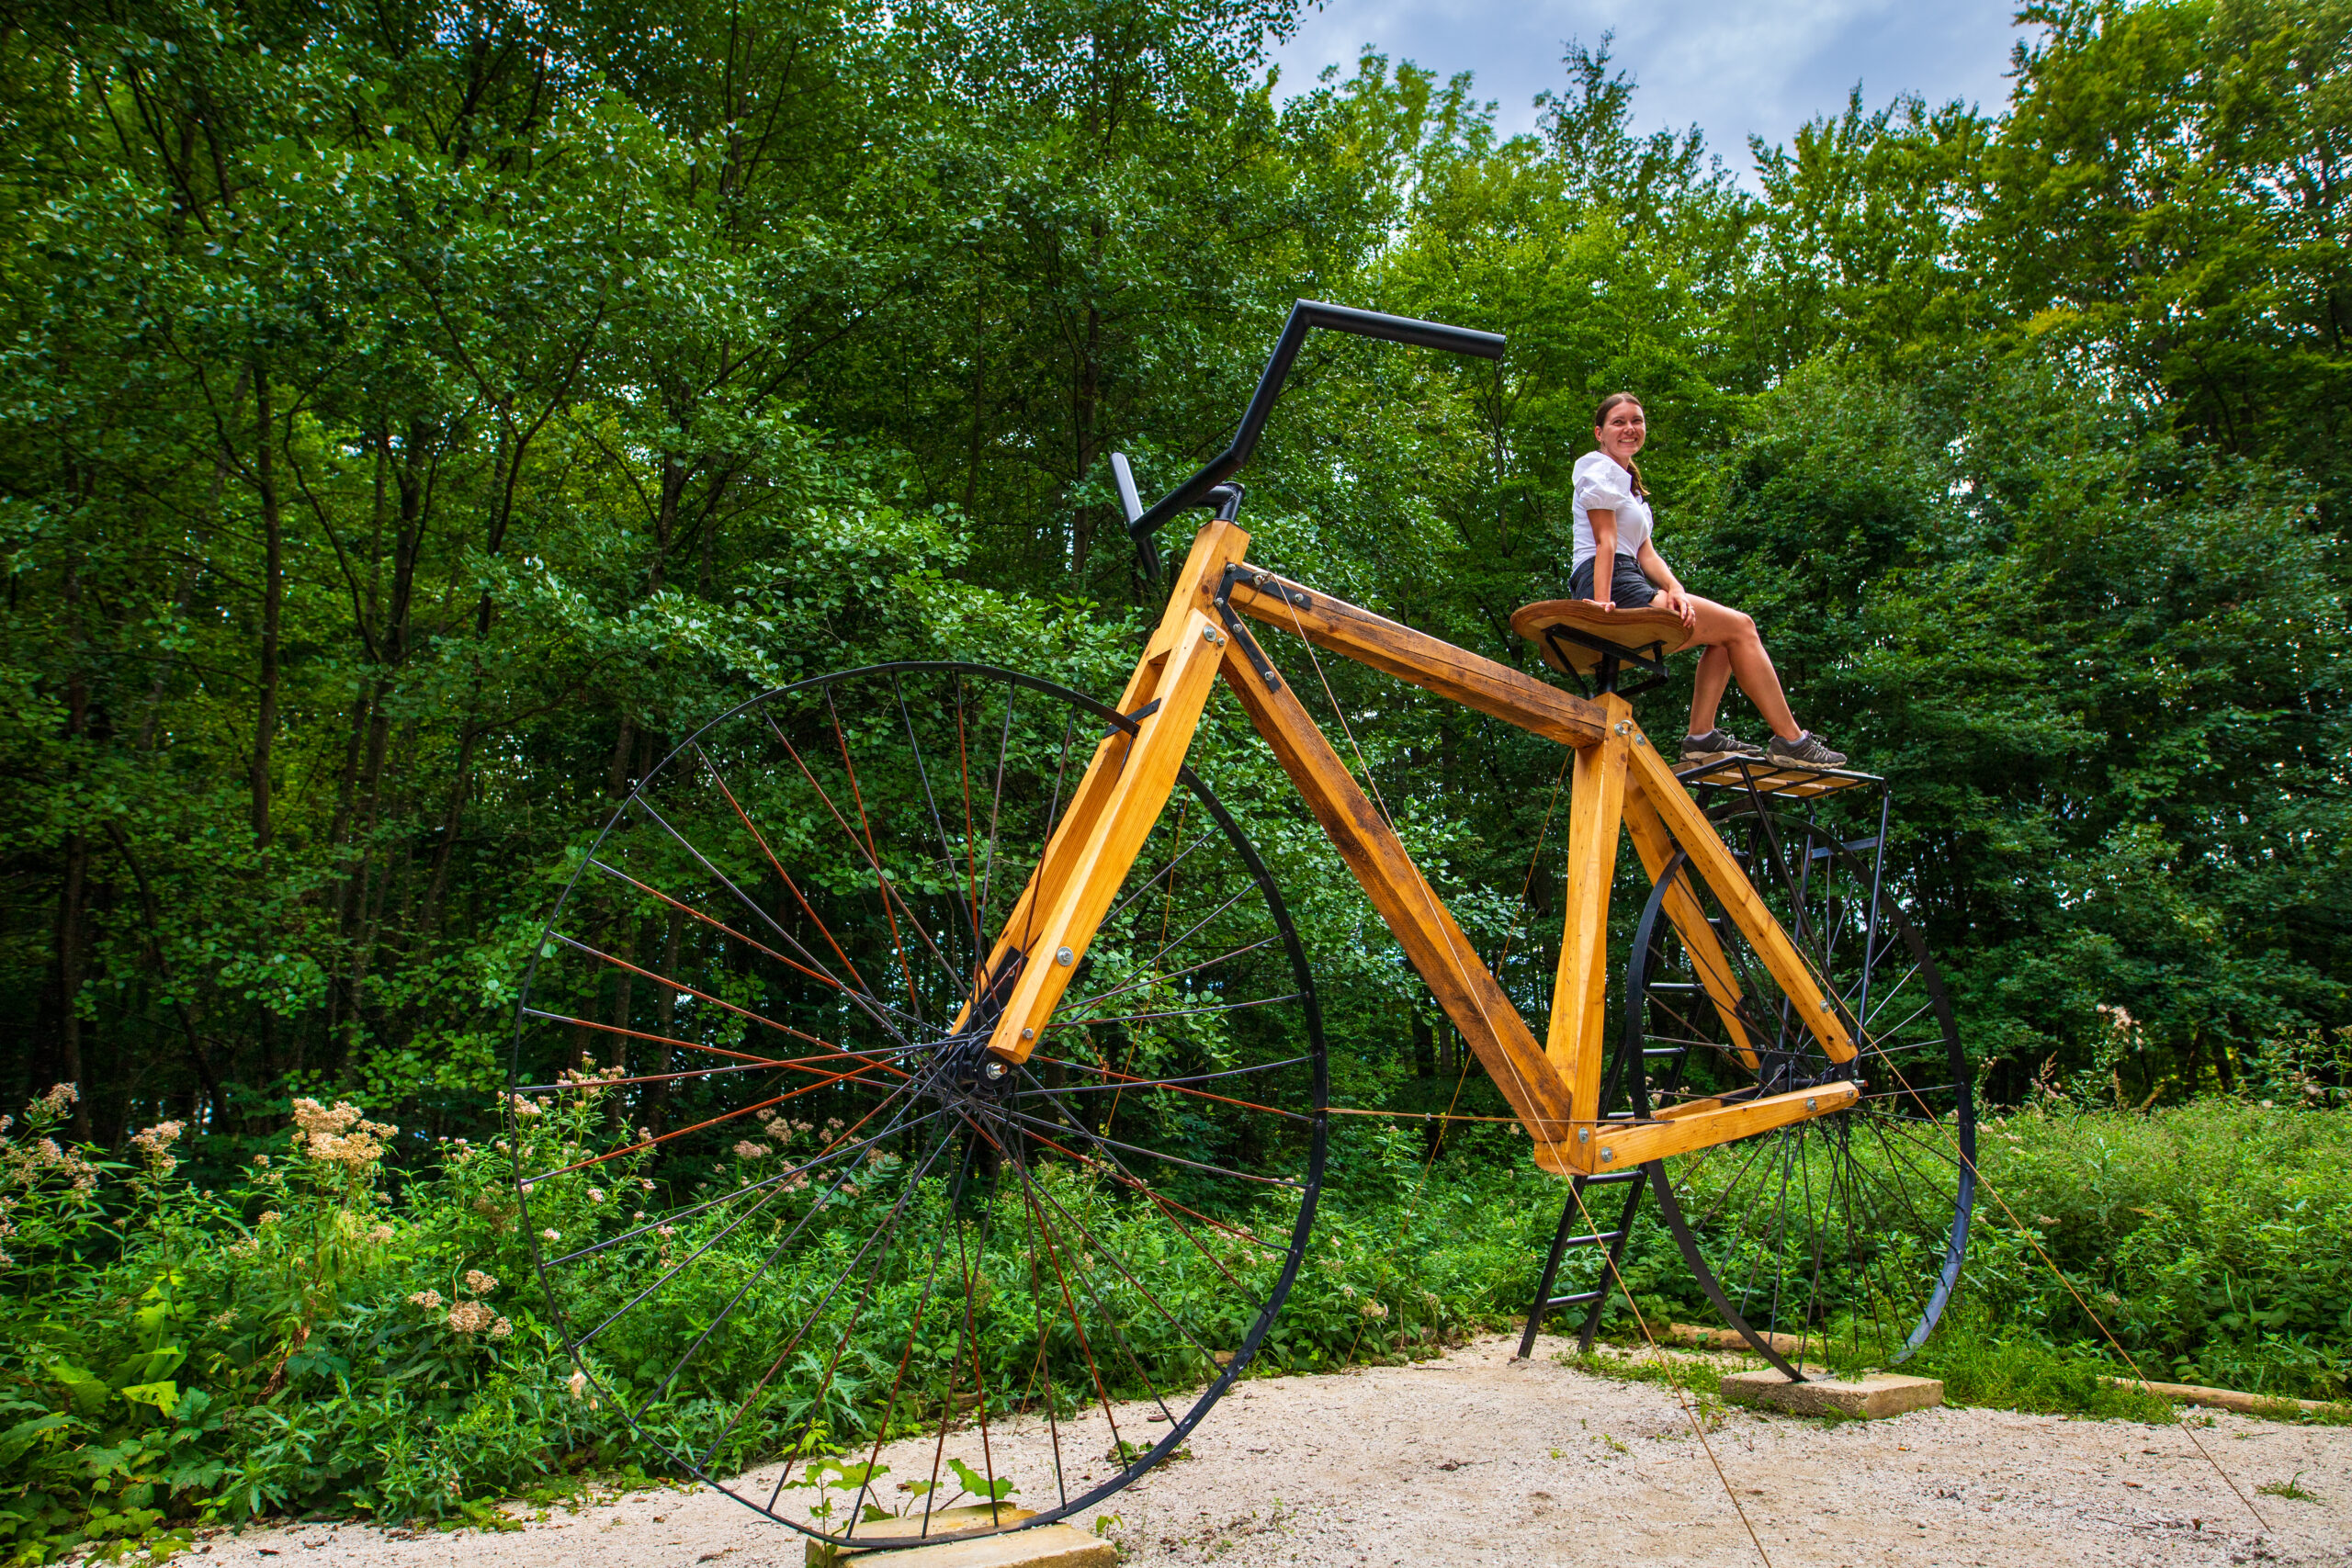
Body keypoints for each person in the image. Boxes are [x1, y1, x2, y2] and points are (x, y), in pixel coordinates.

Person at [1570, 392, 1847, 768]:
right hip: (1607, 582)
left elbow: (1646, 554)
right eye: (1619, 422)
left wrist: (1675, 588)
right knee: (1742, 627)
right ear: (1599, 433)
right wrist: (1603, 607)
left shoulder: (1629, 488)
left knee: (1725, 639)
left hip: (1629, 576)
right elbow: (1606, 542)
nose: (1629, 428)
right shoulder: (1597, 469)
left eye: (1637, 421)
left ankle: (1701, 738)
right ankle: (1793, 742)